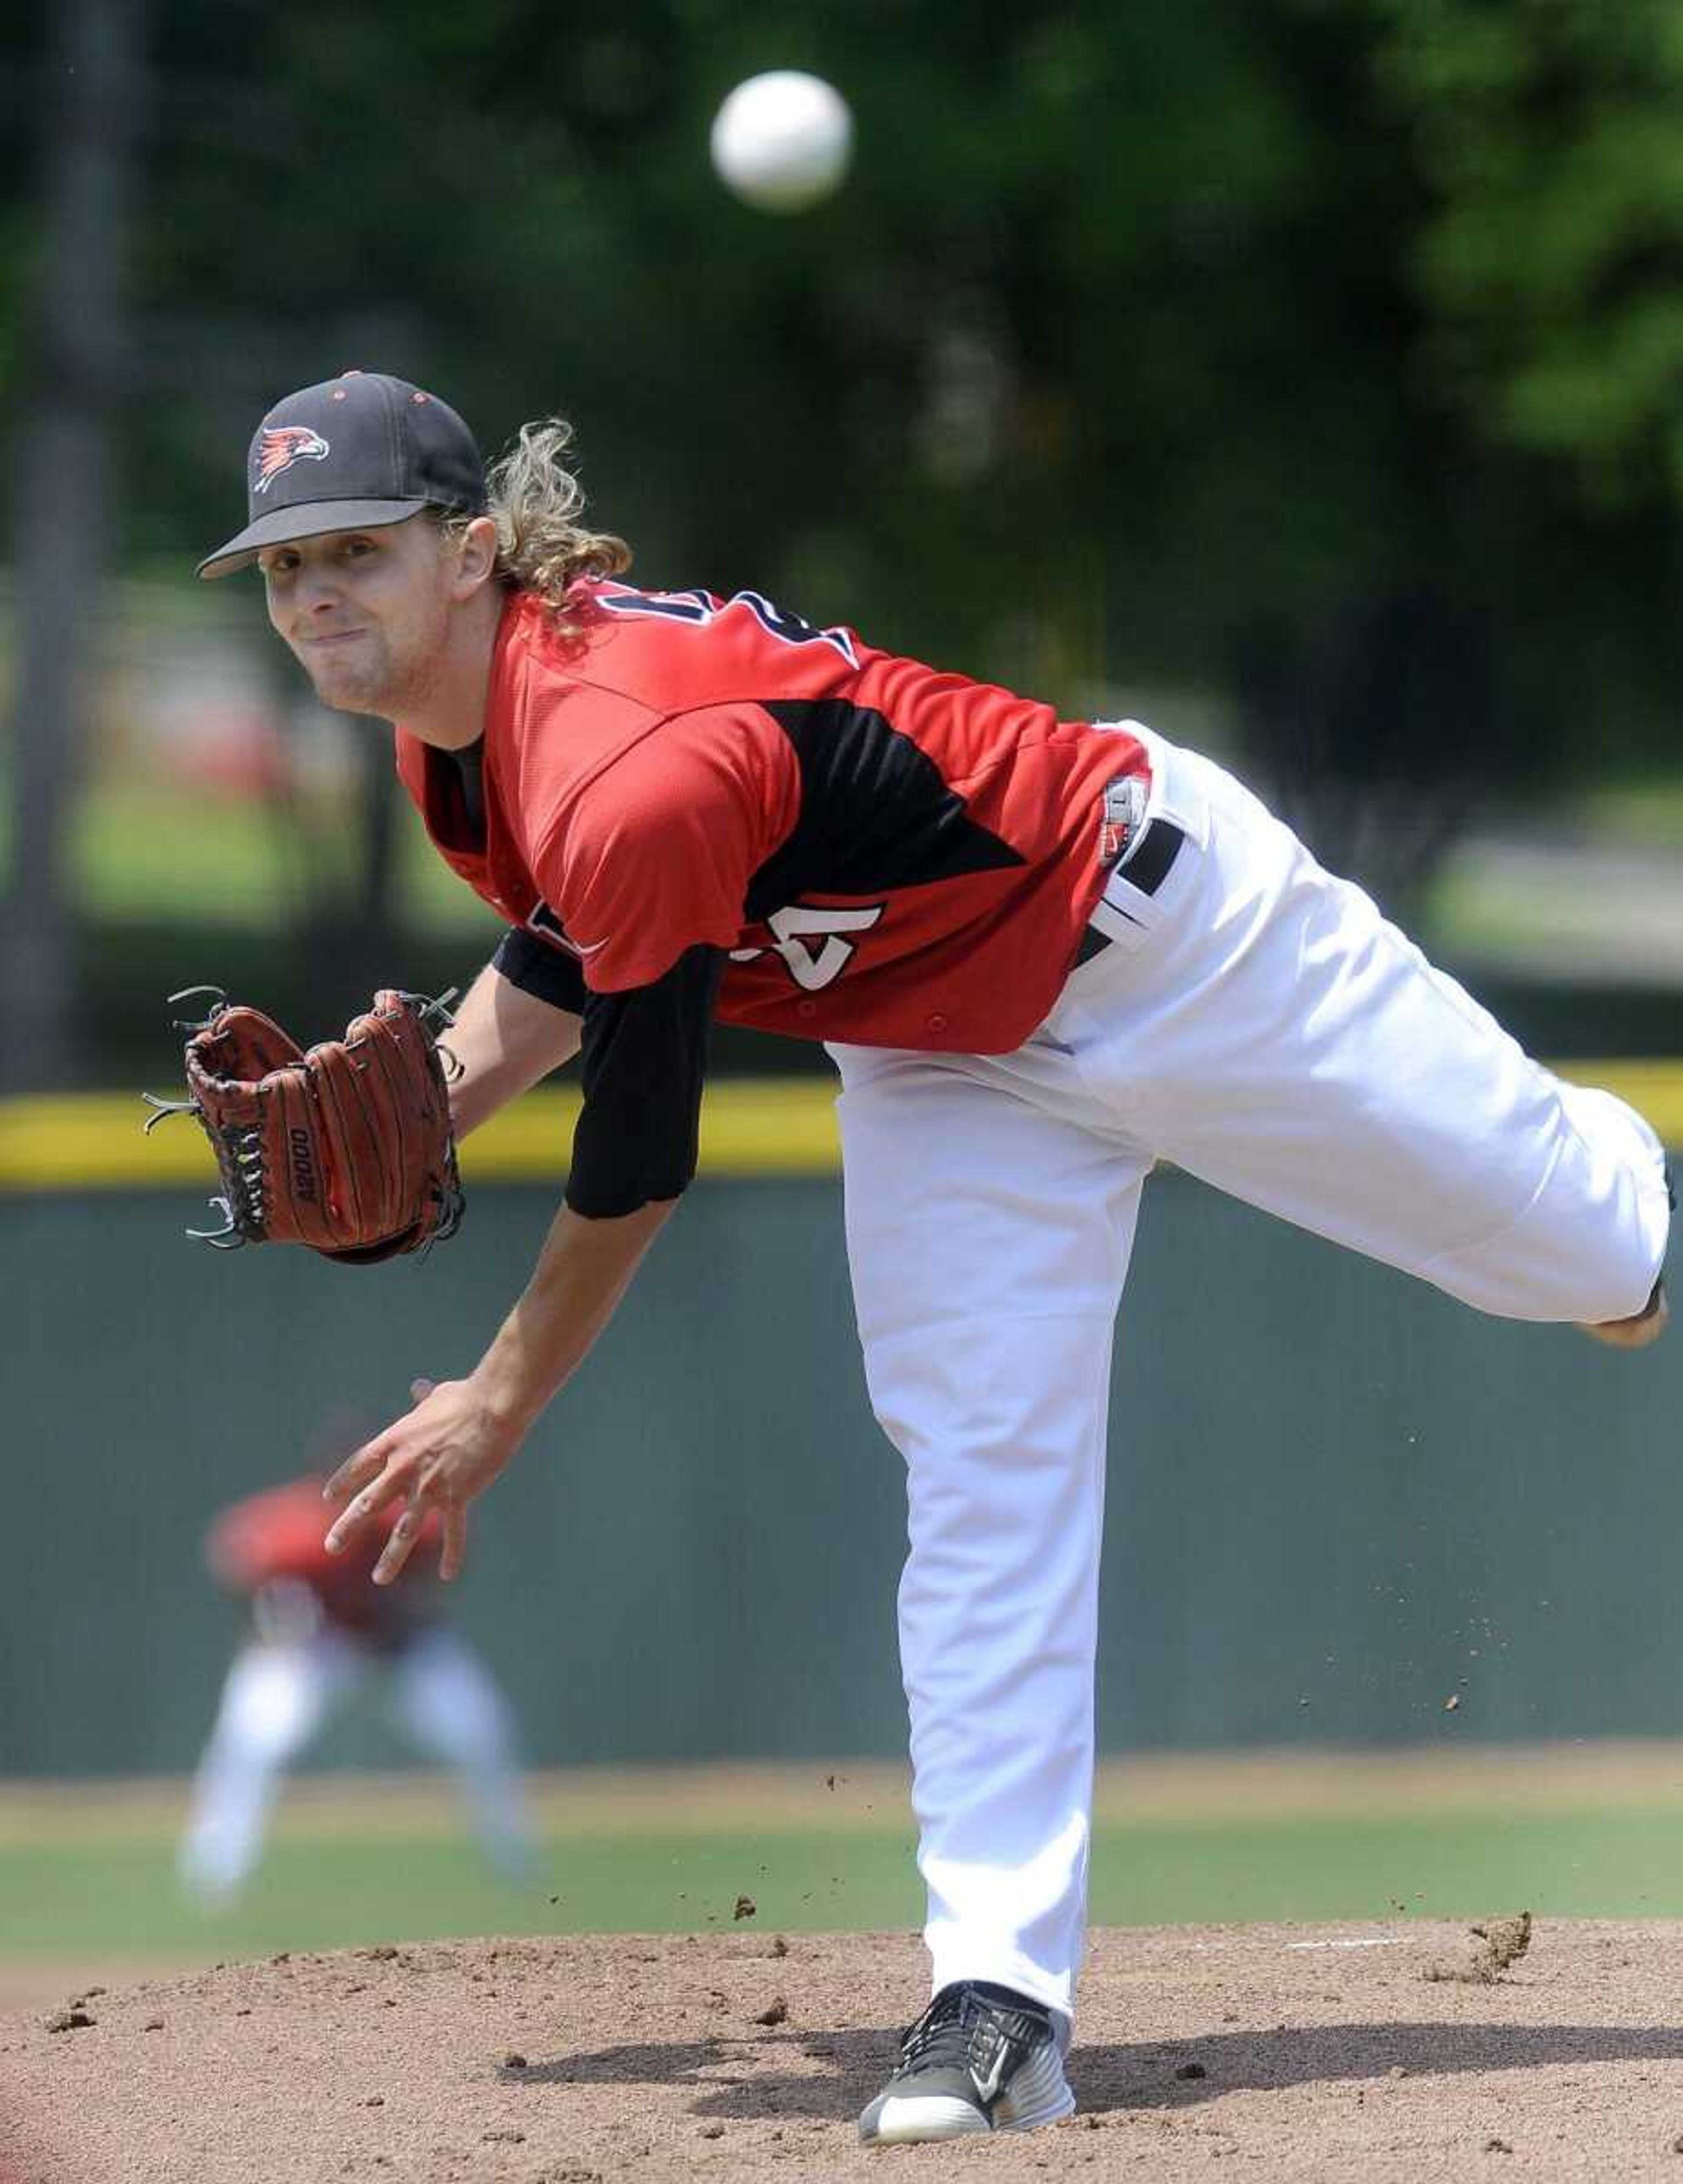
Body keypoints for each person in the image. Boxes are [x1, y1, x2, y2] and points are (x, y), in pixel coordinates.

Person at [196, 369, 1670, 2142]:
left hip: (1170, 941)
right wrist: (429, 1093)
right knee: (978, 1473)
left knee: (1600, 1258)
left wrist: (497, 1400)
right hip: (935, 1054)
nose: (315, 597)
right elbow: (575, 953)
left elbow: (640, 1156)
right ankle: (1001, 1994)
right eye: (284, 570)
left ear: (470, 550)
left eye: (356, 549)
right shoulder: (478, 742)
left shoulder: (619, 747)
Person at [177, 1447, 537, 1904]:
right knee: (252, 1741)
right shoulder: (293, 1529)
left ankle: (515, 1861)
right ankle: (215, 1873)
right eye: (345, 1478)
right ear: (323, 1480)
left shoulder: (413, 1524)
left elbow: (454, 1560)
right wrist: (261, 1625)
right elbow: (228, 1552)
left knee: (481, 1731)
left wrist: (421, 1606)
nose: (355, 1491)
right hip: (314, 1653)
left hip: (402, 1648)